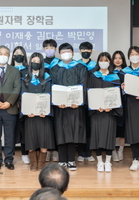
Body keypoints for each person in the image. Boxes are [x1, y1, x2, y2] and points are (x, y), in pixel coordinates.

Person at [49, 43, 88, 171]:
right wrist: (56, 101)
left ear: (73, 52)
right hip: (60, 107)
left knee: (73, 131)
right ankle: (62, 160)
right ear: (59, 54)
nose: (66, 53)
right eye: (63, 51)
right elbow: (52, 87)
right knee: (60, 131)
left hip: (75, 106)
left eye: (68, 51)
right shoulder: (55, 68)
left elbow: (83, 85)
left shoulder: (80, 67)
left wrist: (78, 101)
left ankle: (71, 160)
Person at [88, 52, 123, 172]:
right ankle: (99, 162)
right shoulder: (92, 76)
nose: (104, 62)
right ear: (98, 62)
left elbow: (118, 95)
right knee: (96, 137)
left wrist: (112, 107)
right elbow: (89, 93)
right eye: (101, 60)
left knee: (109, 137)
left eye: (106, 60)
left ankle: (108, 162)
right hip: (96, 112)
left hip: (109, 112)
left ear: (109, 62)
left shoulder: (115, 77)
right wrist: (95, 106)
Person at [21, 52, 55, 171]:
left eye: (38, 62)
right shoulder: (25, 77)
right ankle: (33, 163)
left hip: (43, 115)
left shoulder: (47, 77)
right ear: (30, 63)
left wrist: (45, 111)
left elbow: (49, 95)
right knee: (31, 140)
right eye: (33, 61)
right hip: (30, 115)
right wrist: (26, 111)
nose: (35, 64)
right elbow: (22, 96)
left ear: (41, 63)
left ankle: (41, 163)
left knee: (43, 140)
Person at [77, 41, 96, 163]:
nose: (85, 52)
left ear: (91, 51)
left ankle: (88, 152)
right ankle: (80, 152)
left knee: (90, 126)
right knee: (80, 126)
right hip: (78, 100)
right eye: (83, 50)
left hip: (92, 99)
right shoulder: (76, 65)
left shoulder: (95, 66)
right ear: (79, 51)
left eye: (88, 50)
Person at [10, 46, 30, 165]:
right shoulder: (9, 69)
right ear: (13, 56)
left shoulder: (28, 70)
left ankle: (25, 153)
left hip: (25, 104)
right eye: (16, 53)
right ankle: (10, 155)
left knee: (24, 131)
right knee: (11, 130)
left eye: (21, 53)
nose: (19, 55)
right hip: (11, 104)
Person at [43, 39, 59, 162]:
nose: (49, 49)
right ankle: (47, 150)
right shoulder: (40, 63)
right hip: (45, 97)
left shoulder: (59, 63)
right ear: (43, 49)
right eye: (47, 47)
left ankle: (57, 150)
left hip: (58, 97)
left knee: (57, 124)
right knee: (46, 125)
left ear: (56, 49)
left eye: (52, 47)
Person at [111, 50, 127, 162]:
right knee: (112, 128)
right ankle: (112, 151)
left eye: (120, 58)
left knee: (122, 129)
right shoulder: (109, 74)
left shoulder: (127, 73)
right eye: (115, 58)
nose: (117, 60)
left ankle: (121, 150)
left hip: (124, 103)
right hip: (112, 104)